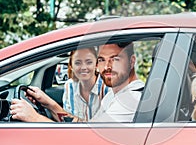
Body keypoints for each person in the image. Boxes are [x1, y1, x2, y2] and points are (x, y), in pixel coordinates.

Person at [10, 42, 144, 122]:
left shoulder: (129, 99)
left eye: (115, 59)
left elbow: (88, 138)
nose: (107, 66)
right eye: (102, 60)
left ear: (132, 61)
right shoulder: (114, 95)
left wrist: (35, 118)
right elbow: (85, 126)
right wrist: (49, 104)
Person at [62, 47, 108, 121]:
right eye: (78, 63)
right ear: (71, 66)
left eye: (89, 62)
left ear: (96, 65)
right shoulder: (69, 86)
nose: (83, 67)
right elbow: (68, 121)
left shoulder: (107, 88)